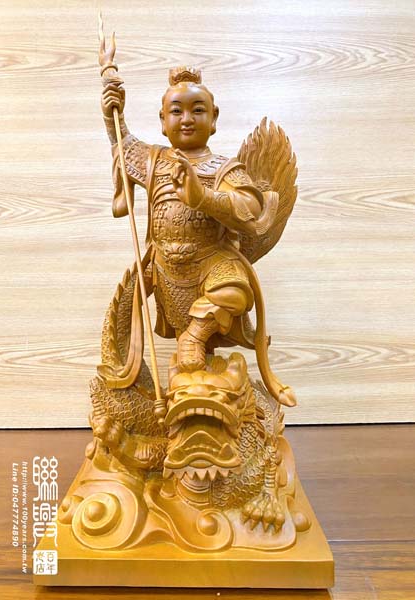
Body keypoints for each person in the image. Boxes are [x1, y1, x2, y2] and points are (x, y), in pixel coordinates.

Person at [100, 66, 295, 407]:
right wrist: (111, 115)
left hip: (210, 262)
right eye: (176, 111)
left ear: (214, 118)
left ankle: (195, 337)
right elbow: (124, 143)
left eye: (198, 110)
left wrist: (202, 197)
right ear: (163, 121)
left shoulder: (222, 168)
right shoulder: (153, 161)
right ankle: (169, 367)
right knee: (137, 304)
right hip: (165, 266)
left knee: (236, 291)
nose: (187, 119)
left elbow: (249, 206)